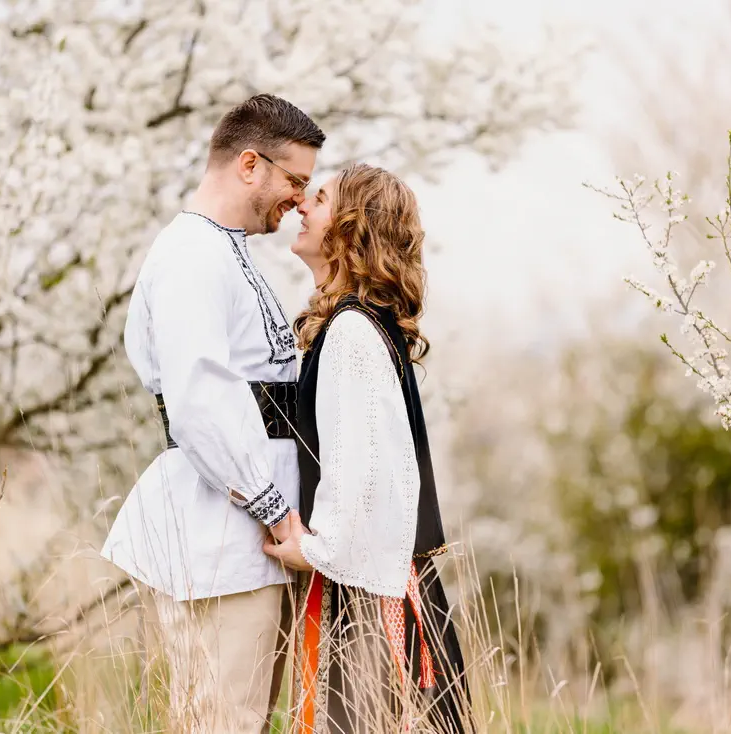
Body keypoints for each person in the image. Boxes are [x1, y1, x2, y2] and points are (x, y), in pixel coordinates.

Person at [100, 94, 324, 733]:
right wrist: (276, 512)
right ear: (250, 164)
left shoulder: (226, 251)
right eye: (294, 181)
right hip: (224, 539)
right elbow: (199, 402)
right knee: (223, 723)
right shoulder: (193, 256)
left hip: (252, 541)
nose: (298, 201)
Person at [264, 163, 471, 733]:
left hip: (370, 599)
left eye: (321, 199)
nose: (302, 204)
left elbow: (364, 470)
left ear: (352, 230)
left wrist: (315, 549)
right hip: (381, 580)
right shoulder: (360, 327)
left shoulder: (353, 335)